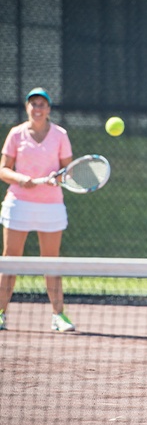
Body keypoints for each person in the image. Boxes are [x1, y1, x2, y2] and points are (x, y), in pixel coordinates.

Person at [0, 87, 76, 332]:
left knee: (51, 262)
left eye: (42, 104)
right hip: (19, 204)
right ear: (27, 108)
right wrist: (21, 179)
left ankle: (58, 316)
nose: (37, 108)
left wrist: (58, 178)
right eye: (33, 104)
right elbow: (3, 169)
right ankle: (0, 313)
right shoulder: (16, 134)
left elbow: (69, 172)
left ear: (49, 109)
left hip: (51, 207)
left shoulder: (60, 135)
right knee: (10, 261)